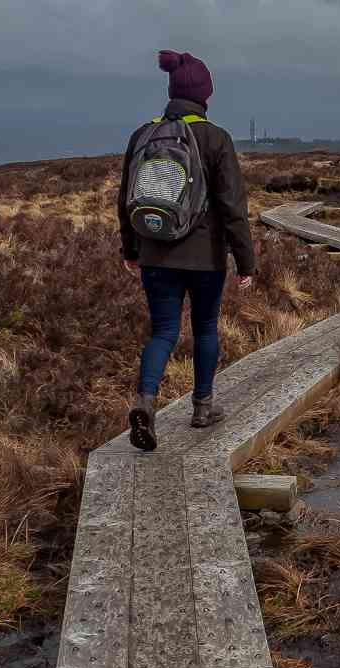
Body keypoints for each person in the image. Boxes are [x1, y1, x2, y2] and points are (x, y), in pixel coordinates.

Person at [121, 49, 255, 451]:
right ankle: (202, 407)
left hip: (155, 251)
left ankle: (146, 401)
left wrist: (131, 247)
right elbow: (233, 206)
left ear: (172, 90)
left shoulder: (143, 134)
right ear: (205, 95)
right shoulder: (216, 138)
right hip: (205, 258)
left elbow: (124, 198)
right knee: (206, 329)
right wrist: (245, 260)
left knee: (162, 332)